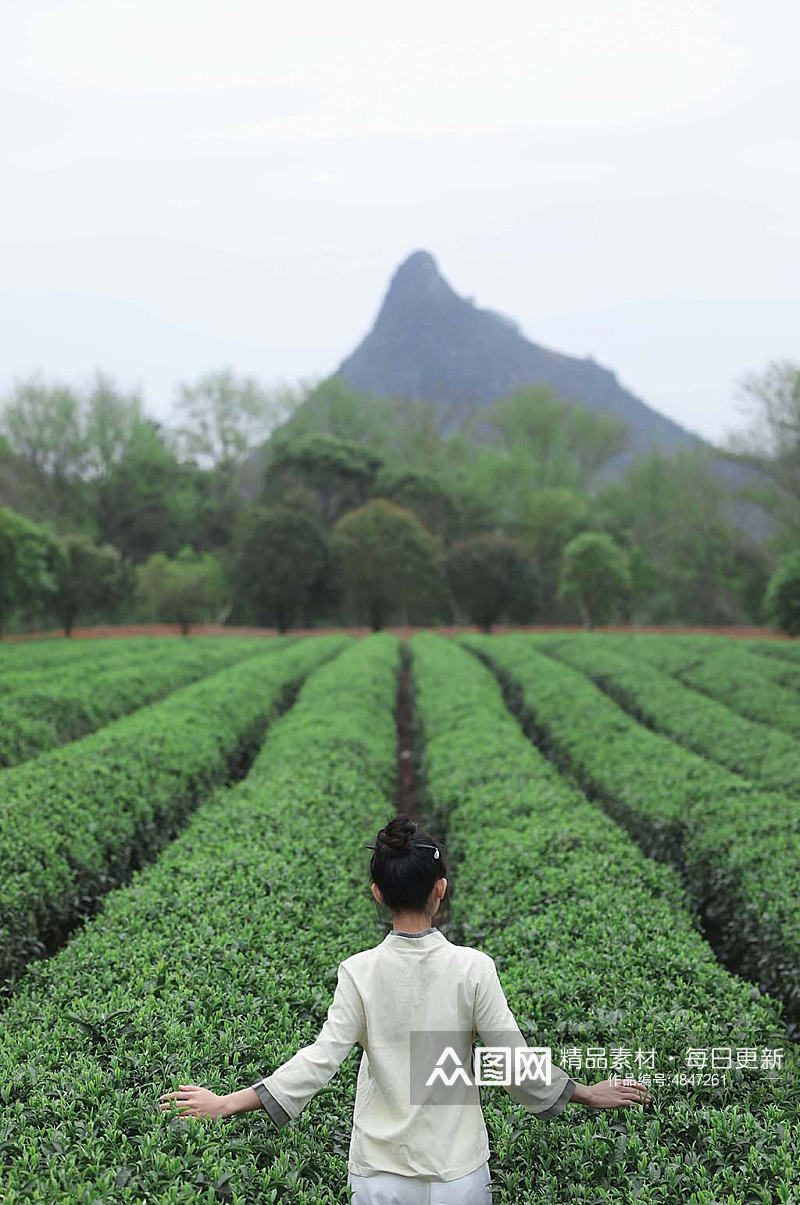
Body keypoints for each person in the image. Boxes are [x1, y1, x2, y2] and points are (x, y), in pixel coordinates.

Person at [160, 813, 652, 1203]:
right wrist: (587, 1093)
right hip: (458, 1173)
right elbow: (511, 1059)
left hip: (379, 1177)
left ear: (377, 894)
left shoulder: (359, 972)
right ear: (441, 889)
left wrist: (226, 1103)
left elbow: (319, 1060)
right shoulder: (473, 968)